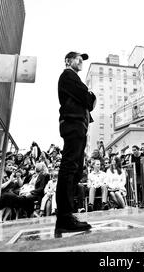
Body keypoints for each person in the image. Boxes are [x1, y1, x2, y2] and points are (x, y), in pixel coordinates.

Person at [56, 51, 96, 235]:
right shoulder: (68, 75)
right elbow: (88, 99)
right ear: (68, 61)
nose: (81, 61)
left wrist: (88, 97)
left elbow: (86, 99)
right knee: (70, 168)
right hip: (73, 124)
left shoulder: (73, 78)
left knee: (76, 169)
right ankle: (64, 216)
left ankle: (67, 214)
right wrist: (90, 96)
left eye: (82, 60)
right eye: (77, 59)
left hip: (78, 126)